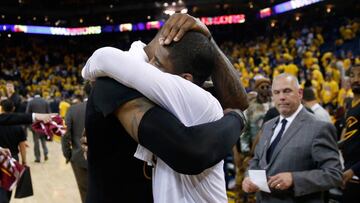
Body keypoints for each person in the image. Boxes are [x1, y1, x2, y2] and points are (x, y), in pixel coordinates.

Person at [81, 14, 248, 203]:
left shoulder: (191, 97)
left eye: (157, 63)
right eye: (152, 59)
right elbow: (188, 150)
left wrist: (208, 39)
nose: (151, 66)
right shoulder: (112, 84)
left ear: (185, 80)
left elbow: (237, 103)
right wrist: (237, 119)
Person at [242, 73, 342, 202]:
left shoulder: (319, 127)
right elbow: (256, 160)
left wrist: (294, 179)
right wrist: (248, 177)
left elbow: (334, 174)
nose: (281, 97)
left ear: (300, 93)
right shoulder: (268, 125)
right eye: (277, 92)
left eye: (287, 91)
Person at [61, 83, 91, 203]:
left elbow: (65, 135)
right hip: (105, 160)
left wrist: (68, 155)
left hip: (79, 158)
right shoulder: (107, 108)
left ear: (84, 92)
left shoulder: (73, 109)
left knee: (85, 192)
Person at [339, 65, 360, 203]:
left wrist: (354, 170)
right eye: (353, 75)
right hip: (349, 170)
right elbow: (346, 135)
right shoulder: (350, 104)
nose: (356, 79)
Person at [0, 99, 27, 202]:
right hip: (13, 159)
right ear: (13, 109)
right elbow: (22, 146)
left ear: (1, 108)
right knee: (8, 186)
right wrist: (24, 161)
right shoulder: (18, 125)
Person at [26, 92, 51, 162]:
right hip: (44, 124)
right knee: (43, 140)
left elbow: (27, 114)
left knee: (36, 142)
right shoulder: (45, 102)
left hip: (35, 125)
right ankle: (46, 154)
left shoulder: (31, 102)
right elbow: (49, 113)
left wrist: (29, 126)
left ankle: (38, 158)